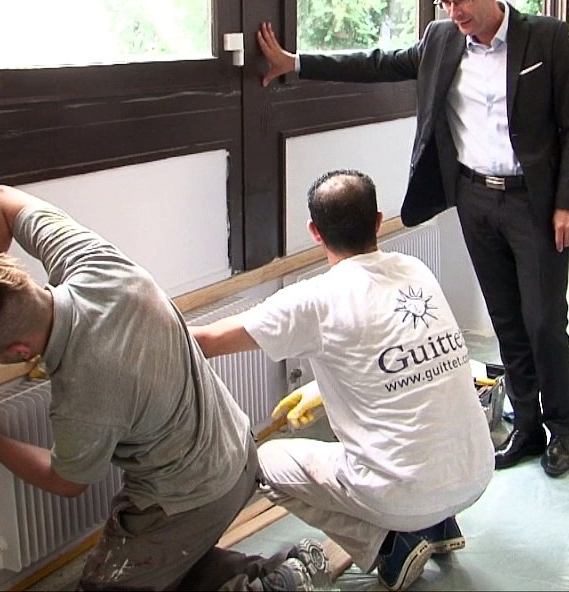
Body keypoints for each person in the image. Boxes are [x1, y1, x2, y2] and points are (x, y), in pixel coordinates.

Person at [254, 0, 569, 478]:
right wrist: (297, 63)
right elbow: (378, 64)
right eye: (445, 2)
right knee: (506, 320)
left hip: (535, 203)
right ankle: (526, 427)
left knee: (545, 321)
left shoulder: (545, 38)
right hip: (476, 200)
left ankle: (562, 430)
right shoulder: (441, 40)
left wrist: (568, 202)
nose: (454, 12)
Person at [0, 185, 328, 592]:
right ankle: (226, 569)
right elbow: (0, 201)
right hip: (237, 453)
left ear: (19, 350)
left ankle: (278, 582)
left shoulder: (86, 388)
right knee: (161, 563)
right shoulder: (90, 262)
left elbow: (66, 482)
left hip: (190, 498)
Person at [191, 170, 494, 592]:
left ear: (315, 233)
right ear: (377, 221)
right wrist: (320, 387)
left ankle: (389, 544)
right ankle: (439, 525)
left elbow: (205, 341)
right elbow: (403, 358)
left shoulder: (315, 300)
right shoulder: (414, 269)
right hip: (476, 471)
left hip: (406, 494)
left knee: (265, 461)